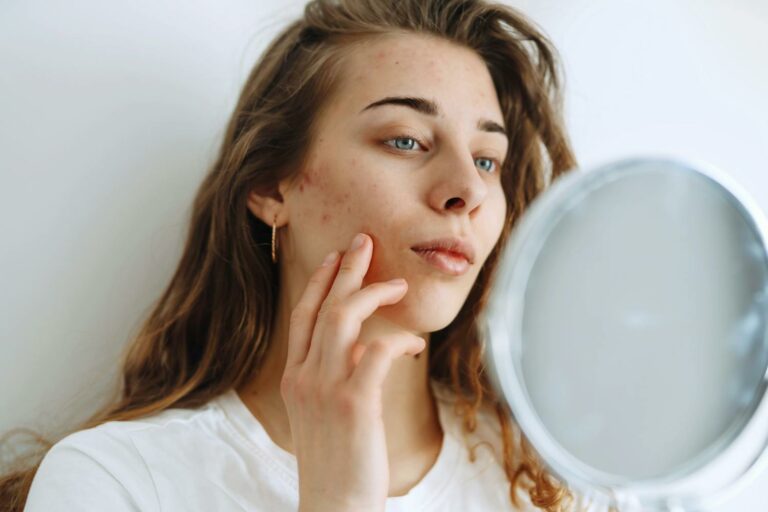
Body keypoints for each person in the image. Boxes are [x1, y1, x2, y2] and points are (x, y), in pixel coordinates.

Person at [1, 0, 587, 510]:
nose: (467, 190)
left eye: (487, 159)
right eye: (405, 140)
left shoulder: (558, 480)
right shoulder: (117, 482)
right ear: (271, 187)